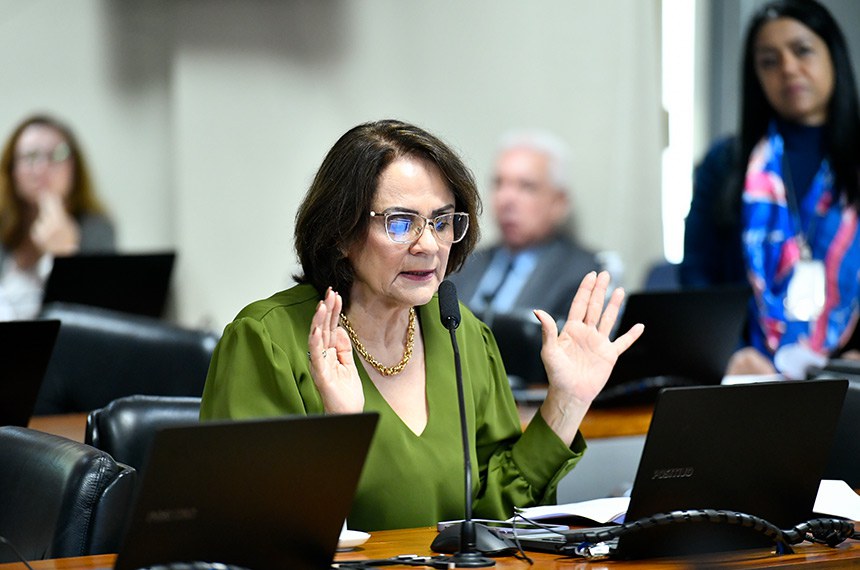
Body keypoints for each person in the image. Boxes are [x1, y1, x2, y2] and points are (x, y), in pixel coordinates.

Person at [200, 119, 643, 531]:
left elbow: (496, 516)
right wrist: (340, 434)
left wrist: (567, 401)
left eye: (442, 222)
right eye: (400, 222)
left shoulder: (462, 333)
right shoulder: (267, 340)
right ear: (341, 232)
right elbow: (246, 528)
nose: (429, 245)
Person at [679, 0, 860, 379]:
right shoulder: (725, 163)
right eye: (769, 61)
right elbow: (697, 276)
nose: (788, 68)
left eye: (802, 50)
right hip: (750, 377)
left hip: (849, 377)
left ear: (833, 56)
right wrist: (731, 353)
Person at [448, 130, 605, 322]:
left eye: (526, 186)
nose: (506, 199)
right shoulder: (464, 263)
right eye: (499, 184)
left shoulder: (583, 273)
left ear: (559, 202)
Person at [0, 114, 115, 320]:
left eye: (58, 155)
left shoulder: (96, 229)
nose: (43, 168)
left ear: (74, 168)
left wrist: (65, 258)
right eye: (31, 156)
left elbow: (97, 320)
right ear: (12, 170)